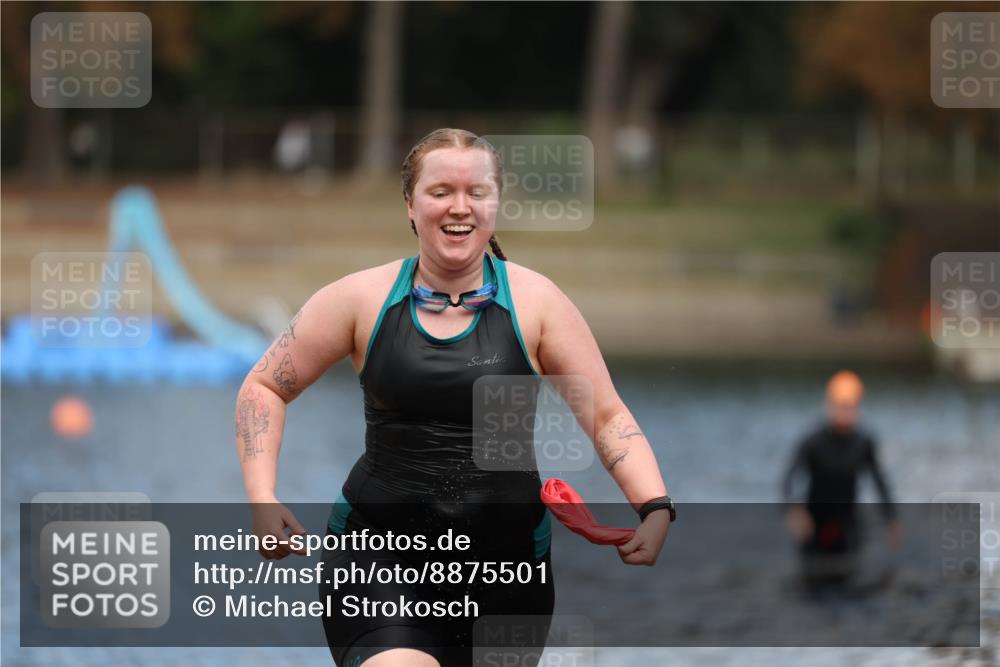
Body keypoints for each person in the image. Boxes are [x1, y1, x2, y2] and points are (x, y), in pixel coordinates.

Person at [234, 128, 672, 667]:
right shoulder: (359, 300)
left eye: (477, 192)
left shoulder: (537, 303)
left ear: (495, 204)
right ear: (411, 205)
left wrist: (653, 507)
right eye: (440, 191)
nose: (459, 207)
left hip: (508, 575)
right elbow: (264, 386)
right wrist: (262, 495)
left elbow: (606, 416)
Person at [782, 370, 901, 587]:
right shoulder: (812, 442)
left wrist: (891, 519)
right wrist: (794, 509)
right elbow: (789, 479)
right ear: (829, 404)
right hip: (815, 525)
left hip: (849, 524)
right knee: (813, 586)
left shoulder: (863, 442)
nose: (845, 412)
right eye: (840, 405)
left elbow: (879, 481)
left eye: (850, 406)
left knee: (851, 582)